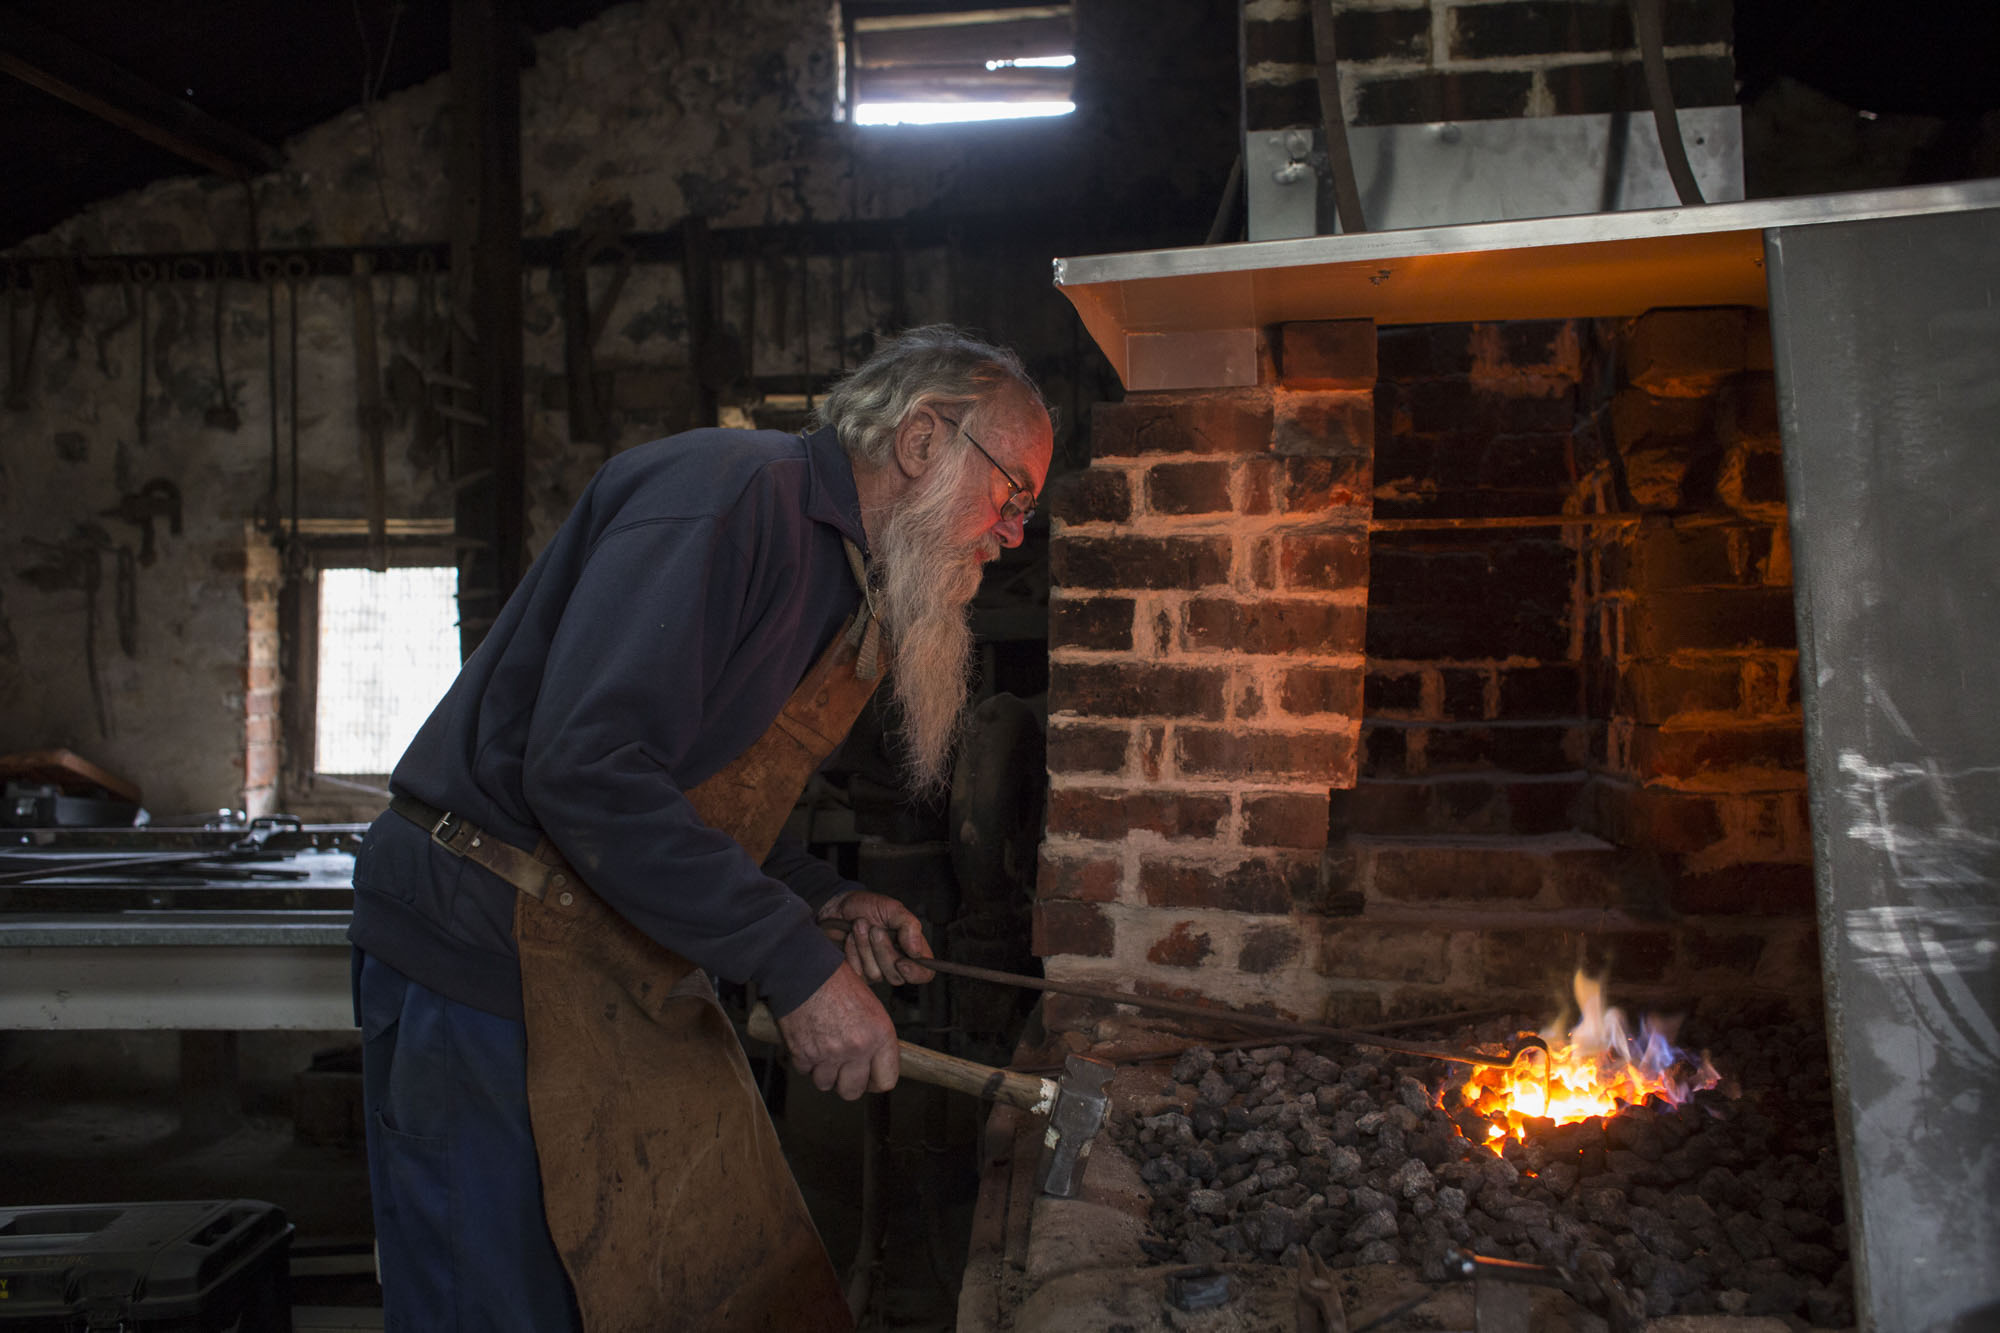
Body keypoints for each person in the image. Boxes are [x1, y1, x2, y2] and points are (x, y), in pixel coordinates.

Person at [346, 325, 1054, 1331]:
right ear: (920, 439)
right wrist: (791, 965)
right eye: (1010, 493)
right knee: (494, 1301)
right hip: (480, 946)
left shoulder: (843, 577)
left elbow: (695, 792)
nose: (1011, 532)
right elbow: (586, 768)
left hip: (589, 954)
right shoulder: (731, 496)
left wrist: (818, 898)